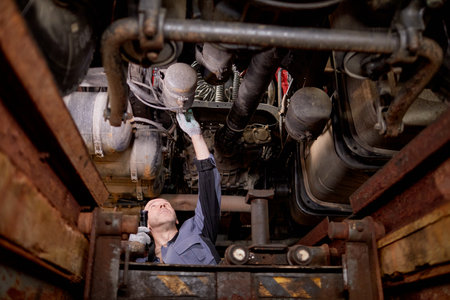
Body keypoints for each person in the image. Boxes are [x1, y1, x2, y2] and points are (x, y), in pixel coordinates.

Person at [138, 111, 222, 265]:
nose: (162, 204)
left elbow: (209, 185)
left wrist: (196, 136)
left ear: (177, 219)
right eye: (153, 206)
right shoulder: (141, 257)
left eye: (166, 204)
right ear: (147, 225)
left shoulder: (197, 230)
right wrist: (131, 248)